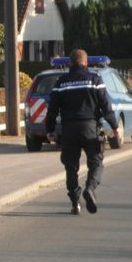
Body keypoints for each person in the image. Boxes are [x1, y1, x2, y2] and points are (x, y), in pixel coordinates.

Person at [46, 49, 119, 215]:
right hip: (89, 127)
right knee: (96, 161)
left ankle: (75, 203)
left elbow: (52, 109)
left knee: (71, 167)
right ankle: (90, 189)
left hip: (69, 129)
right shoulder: (95, 79)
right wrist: (114, 126)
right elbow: (105, 106)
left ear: (70, 63)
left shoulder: (61, 82)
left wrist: (50, 129)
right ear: (85, 62)